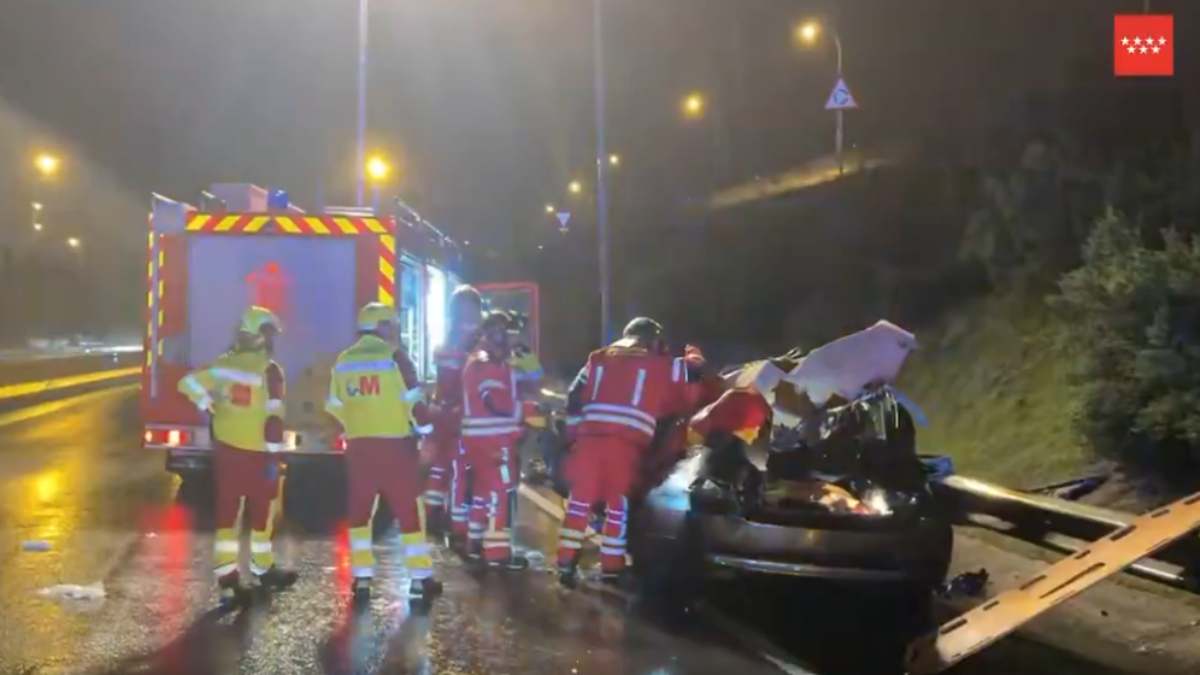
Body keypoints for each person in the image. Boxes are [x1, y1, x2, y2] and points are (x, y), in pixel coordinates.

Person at [177, 306, 298, 609]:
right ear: (260, 337)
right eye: (269, 334)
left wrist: (207, 403)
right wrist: (275, 458)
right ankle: (262, 569)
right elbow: (273, 422)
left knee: (227, 516)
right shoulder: (270, 372)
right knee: (261, 515)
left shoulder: (223, 366)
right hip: (259, 456)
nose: (272, 340)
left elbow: (186, 383)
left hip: (228, 453)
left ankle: (227, 581)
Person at [556, 317, 690, 588]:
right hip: (626, 444)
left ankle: (566, 562)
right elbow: (689, 383)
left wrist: (572, 433)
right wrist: (692, 355)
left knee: (579, 501)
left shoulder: (598, 357)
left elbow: (574, 395)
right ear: (651, 339)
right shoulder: (659, 363)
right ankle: (612, 566)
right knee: (618, 505)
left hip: (590, 439)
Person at [325, 302, 442, 603]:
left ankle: (362, 578)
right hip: (395, 449)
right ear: (381, 327)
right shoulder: (396, 358)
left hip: (359, 448)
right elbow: (415, 404)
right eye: (391, 325)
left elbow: (335, 407)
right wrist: (428, 435)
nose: (395, 331)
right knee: (408, 512)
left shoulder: (344, 360)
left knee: (360, 513)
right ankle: (420, 578)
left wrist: (356, 426)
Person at [459, 311, 528, 569]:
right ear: (498, 334)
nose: (515, 338)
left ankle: (476, 543)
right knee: (502, 490)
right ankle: (498, 552)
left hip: (481, 439)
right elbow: (494, 400)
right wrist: (525, 411)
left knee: (482, 492)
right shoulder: (488, 363)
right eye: (511, 333)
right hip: (493, 440)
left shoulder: (486, 360)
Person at [424, 285, 484, 542]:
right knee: (461, 468)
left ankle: (432, 514)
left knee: (440, 465)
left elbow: (442, 378)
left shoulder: (447, 341)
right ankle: (458, 524)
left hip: (442, 410)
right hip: (462, 413)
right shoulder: (476, 342)